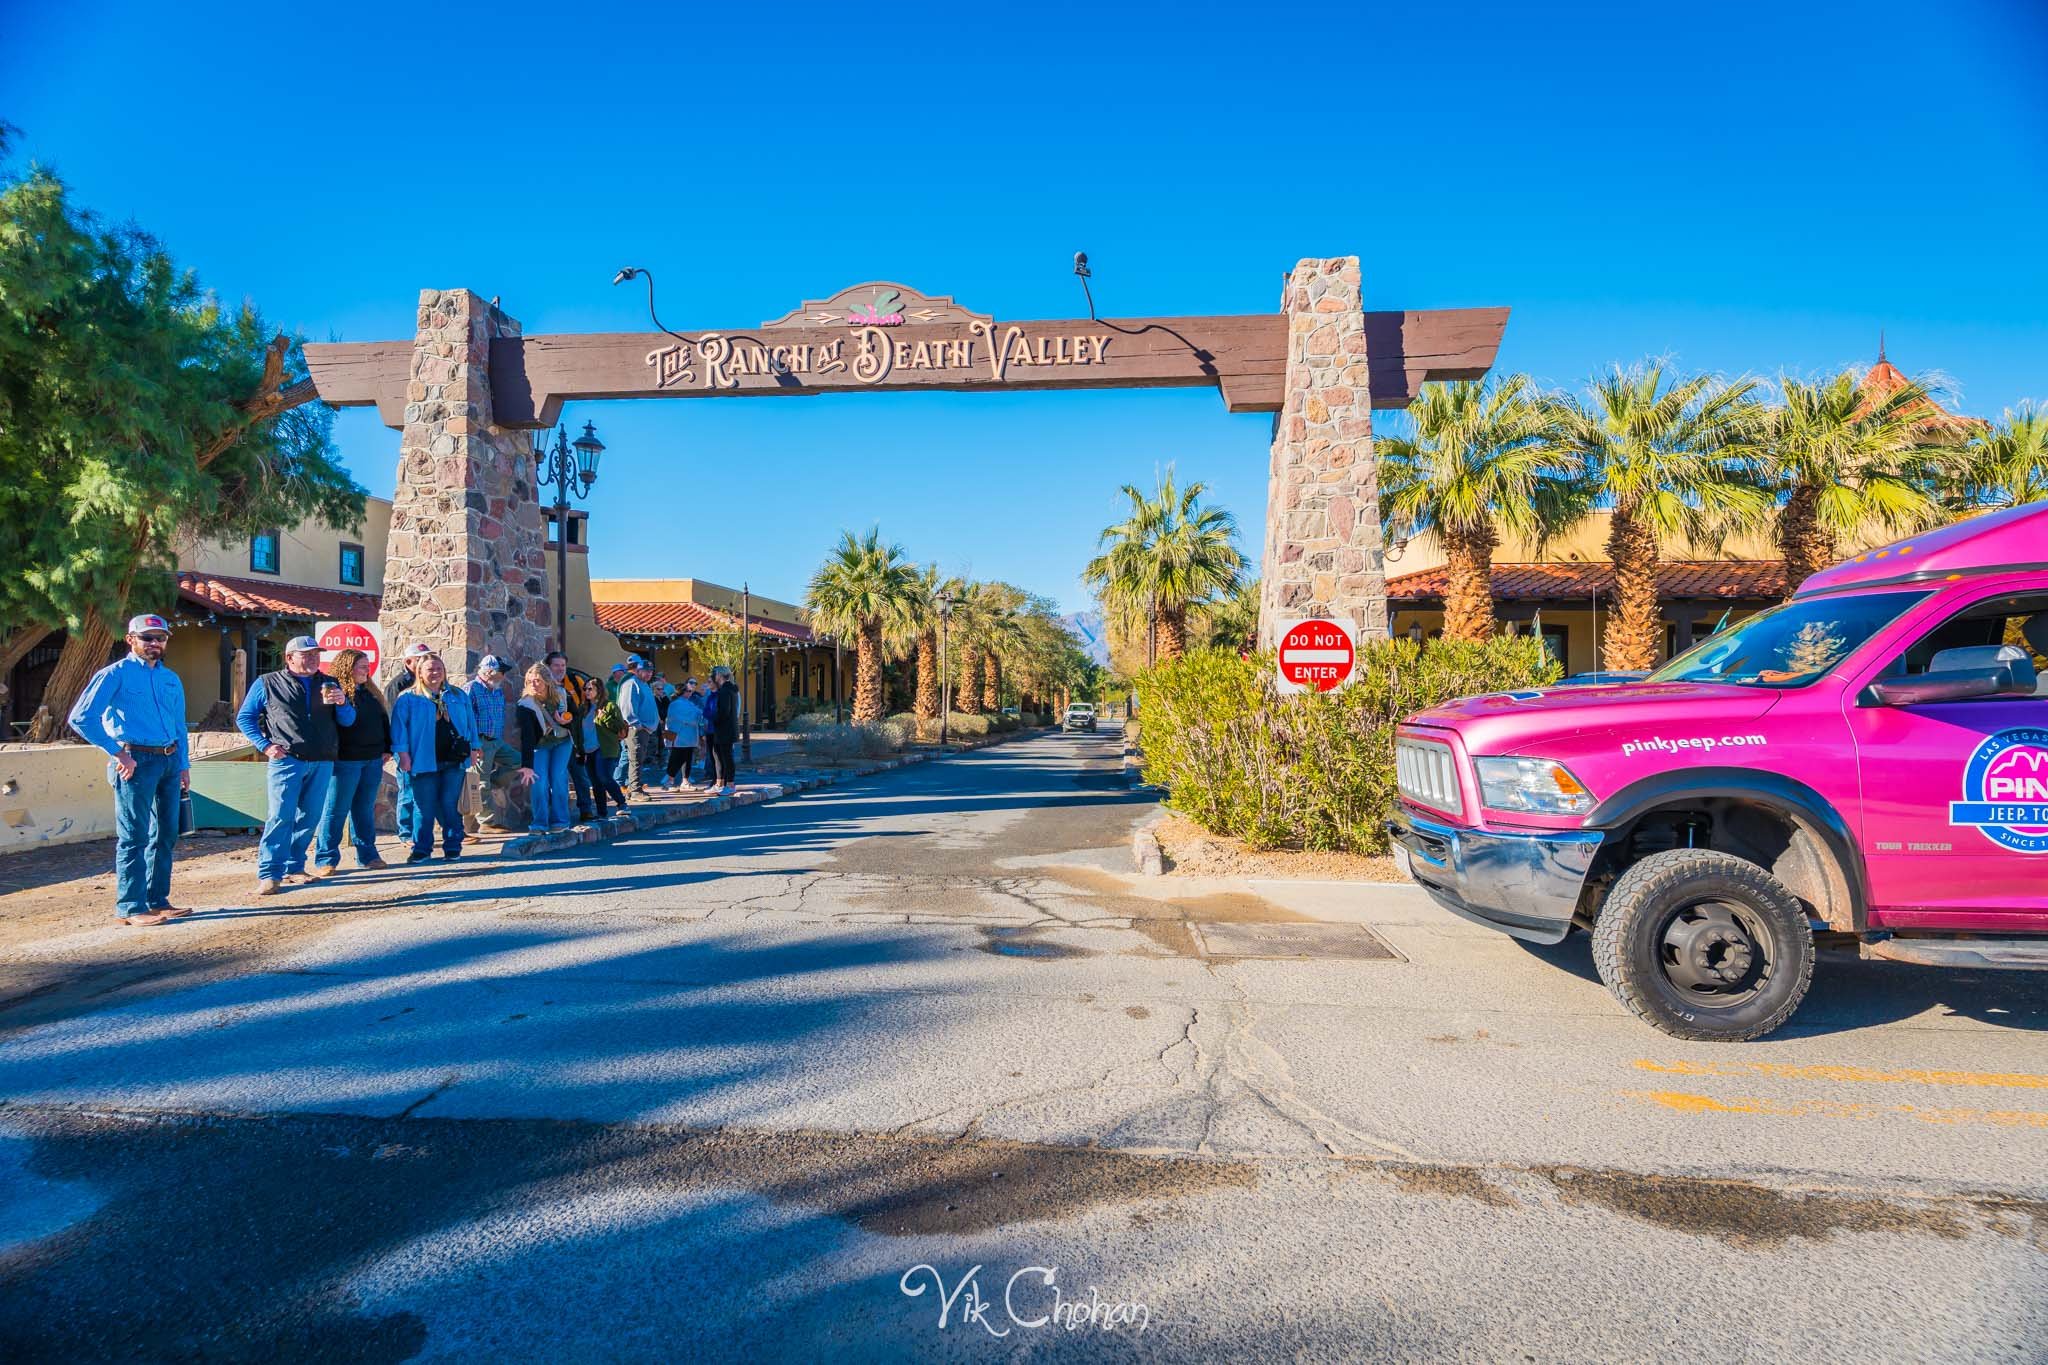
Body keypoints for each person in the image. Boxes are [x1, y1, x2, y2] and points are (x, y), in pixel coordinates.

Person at [67, 613, 192, 926]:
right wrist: (117, 753)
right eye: (147, 637)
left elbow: (179, 726)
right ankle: (131, 906)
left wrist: (183, 765)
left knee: (166, 834)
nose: (154, 643)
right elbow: (81, 718)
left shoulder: (170, 678)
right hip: (134, 760)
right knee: (134, 836)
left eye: (160, 638)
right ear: (130, 639)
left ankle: (157, 900)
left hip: (169, 760)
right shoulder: (114, 674)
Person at [238, 635, 356, 895]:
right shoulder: (267, 683)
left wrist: (342, 702)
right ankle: (270, 873)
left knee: (310, 817)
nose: (314, 658)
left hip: (322, 760)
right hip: (287, 760)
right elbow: (245, 718)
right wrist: (265, 745)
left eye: (316, 653)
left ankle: (295, 867)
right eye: (307, 654)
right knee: (281, 816)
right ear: (290, 658)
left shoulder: (329, 682)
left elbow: (347, 721)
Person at [389, 653, 481, 862]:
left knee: (450, 805)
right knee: (424, 806)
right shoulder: (408, 698)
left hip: (453, 759)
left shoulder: (457, 695)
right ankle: (422, 848)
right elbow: (399, 729)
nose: (435, 673)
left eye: (439, 669)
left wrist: (474, 748)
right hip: (422, 760)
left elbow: (470, 724)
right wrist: (403, 755)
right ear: (419, 672)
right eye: (430, 669)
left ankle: (453, 846)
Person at [313, 646, 391, 875]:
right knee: (335, 810)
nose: (367, 670)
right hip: (345, 760)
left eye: (367, 666)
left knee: (364, 810)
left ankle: (367, 855)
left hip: (372, 760)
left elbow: (382, 720)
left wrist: (387, 747)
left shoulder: (371, 692)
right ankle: (326, 858)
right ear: (348, 667)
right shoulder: (334, 692)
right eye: (362, 666)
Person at [513, 663, 575, 834]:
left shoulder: (561, 695)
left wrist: (567, 722)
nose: (534, 684)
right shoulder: (525, 704)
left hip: (562, 741)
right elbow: (527, 736)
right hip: (540, 745)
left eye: (538, 681)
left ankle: (560, 821)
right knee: (539, 782)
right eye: (530, 681)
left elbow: (576, 716)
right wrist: (527, 765)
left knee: (558, 778)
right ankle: (539, 822)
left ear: (547, 681)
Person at [386, 642, 437, 847]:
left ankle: (421, 832)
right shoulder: (398, 685)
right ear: (408, 662)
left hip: (425, 745)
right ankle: (406, 833)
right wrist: (400, 750)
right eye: (420, 658)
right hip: (405, 746)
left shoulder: (428, 682)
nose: (426, 661)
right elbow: (394, 720)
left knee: (426, 790)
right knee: (407, 790)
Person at [465, 655, 518, 830]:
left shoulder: (497, 689)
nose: (503, 676)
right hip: (479, 741)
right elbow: (465, 719)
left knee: (518, 761)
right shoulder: (471, 689)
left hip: (495, 741)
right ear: (489, 672)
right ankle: (487, 823)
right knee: (480, 781)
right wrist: (473, 744)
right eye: (501, 672)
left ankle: (490, 784)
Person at [618, 655, 660, 796]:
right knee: (635, 759)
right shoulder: (631, 683)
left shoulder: (644, 684)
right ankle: (635, 790)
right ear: (638, 670)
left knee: (638, 759)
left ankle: (634, 788)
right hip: (636, 729)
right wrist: (637, 725)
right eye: (645, 671)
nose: (649, 673)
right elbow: (627, 707)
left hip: (645, 729)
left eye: (651, 671)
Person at [588, 678, 629, 815]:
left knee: (604, 776)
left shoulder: (609, 706)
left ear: (598, 690)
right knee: (595, 782)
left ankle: (622, 803)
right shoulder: (584, 708)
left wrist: (605, 717)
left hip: (605, 748)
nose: (586, 692)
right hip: (588, 748)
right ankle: (602, 812)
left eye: (590, 689)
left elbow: (620, 727)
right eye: (585, 689)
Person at [665, 678, 705, 789]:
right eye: (688, 691)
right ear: (682, 692)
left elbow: (698, 713)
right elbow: (679, 718)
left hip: (689, 736)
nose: (690, 692)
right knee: (676, 758)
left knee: (687, 758)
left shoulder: (688, 703)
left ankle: (685, 781)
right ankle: (669, 781)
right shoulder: (675, 704)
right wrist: (695, 719)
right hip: (679, 736)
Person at [708, 665, 741, 795]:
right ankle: (720, 783)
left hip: (724, 729)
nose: (713, 677)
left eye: (714, 675)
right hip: (726, 729)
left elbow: (724, 711)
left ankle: (730, 784)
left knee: (726, 757)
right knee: (719, 755)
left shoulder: (725, 691)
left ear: (719, 676)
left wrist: (713, 718)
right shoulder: (730, 690)